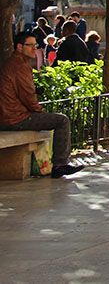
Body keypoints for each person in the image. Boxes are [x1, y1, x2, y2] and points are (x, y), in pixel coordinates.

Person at [0, 32, 85, 178]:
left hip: (10, 115)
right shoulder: (19, 66)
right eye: (30, 45)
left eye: (35, 45)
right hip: (14, 118)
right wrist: (40, 112)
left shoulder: (15, 63)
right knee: (61, 120)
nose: (34, 48)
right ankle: (60, 165)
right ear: (19, 47)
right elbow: (28, 96)